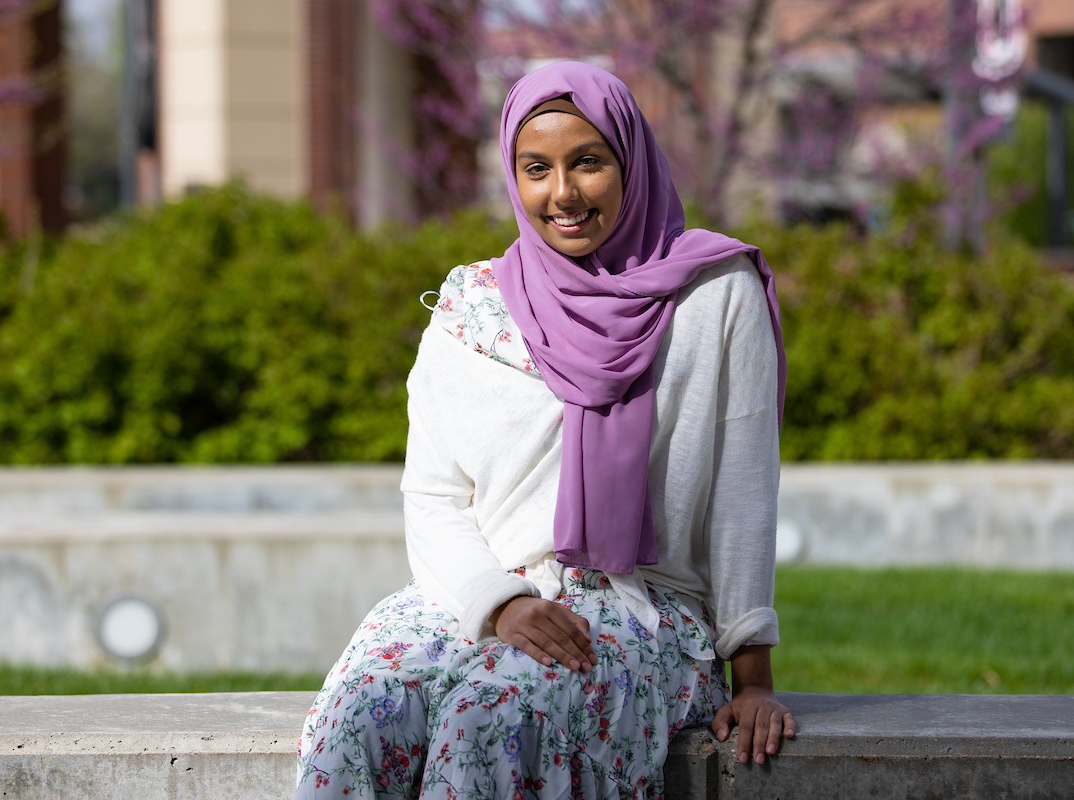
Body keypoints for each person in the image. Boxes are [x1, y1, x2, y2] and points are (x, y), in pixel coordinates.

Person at [295, 60, 794, 800]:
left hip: (639, 609)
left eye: (588, 162)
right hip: (476, 595)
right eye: (536, 169)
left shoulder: (714, 292)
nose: (562, 193)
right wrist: (498, 603)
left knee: (491, 718)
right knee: (363, 710)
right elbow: (433, 496)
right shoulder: (472, 305)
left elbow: (742, 496)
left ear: (631, 162)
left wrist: (753, 680)